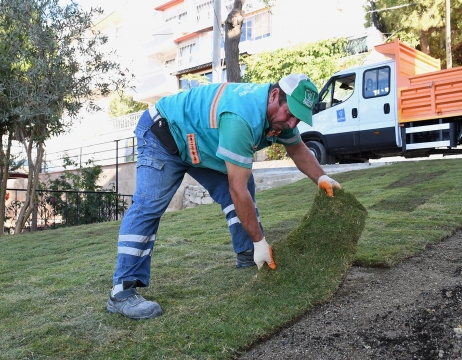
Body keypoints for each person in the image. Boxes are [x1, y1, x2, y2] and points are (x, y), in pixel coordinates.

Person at [107, 74, 342, 320]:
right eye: (290, 113)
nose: (292, 123)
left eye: (298, 118)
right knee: (149, 206)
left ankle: (246, 253)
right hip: (163, 134)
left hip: (198, 142)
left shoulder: (279, 118)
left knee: (242, 182)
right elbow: (237, 189)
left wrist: (321, 178)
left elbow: (297, 149)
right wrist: (261, 240)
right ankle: (121, 291)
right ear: (274, 96)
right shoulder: (241, 117)